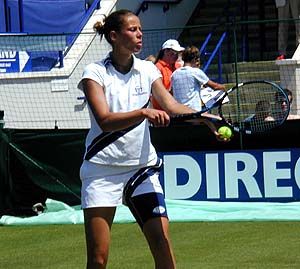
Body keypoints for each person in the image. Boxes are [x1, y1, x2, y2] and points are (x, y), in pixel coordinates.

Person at [77, 9, 226, 269]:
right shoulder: (95, 73)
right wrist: (144, 112)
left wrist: (205, 118)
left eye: (140, 29)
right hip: (101, 171)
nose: (139, 34)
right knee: (98, 259)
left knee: (162, 245)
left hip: (142, 168)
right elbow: (105, 119)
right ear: (114, 36)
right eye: (132, 29)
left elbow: (170, 104)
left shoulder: (147, 70)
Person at [171, 45, 226, 112]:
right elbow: (215, 87)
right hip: (194, 112)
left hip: (179, 112)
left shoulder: (174, 74)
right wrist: (223, 87)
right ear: (195, 59)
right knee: (217, 120)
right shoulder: (196, 72)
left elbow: (171, 92)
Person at [151, 39, 185, 110]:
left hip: (177, 107)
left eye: (177, 54)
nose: (176, 56)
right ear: (166, 52)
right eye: (173, 53)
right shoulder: (157, 68)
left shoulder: (178, 66)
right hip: (162, 110)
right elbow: (158, 93)